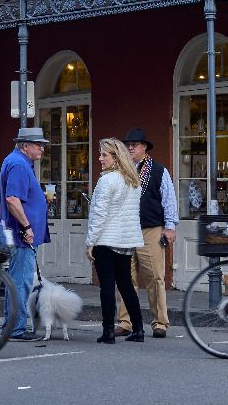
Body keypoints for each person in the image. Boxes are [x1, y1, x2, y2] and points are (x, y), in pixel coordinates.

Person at [117, 127, 177, 339]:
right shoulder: (120, 171)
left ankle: (160, 322)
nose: (130, 148)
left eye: (134, 145)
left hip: (150, 229)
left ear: (144, 148)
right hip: (125, 229)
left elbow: (168, 199)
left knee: (155, 277)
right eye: (128, 145)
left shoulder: (158, 171)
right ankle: (125, 321)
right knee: (125, 277)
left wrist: (170, 227)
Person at [86, 137, 145, 344]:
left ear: (116, 157)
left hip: (106, 240)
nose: (100, 158)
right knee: (126, 285)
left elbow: (99, 214)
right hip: (127, 241)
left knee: (107, 287)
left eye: (104, 155)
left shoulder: (107, 180)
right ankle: (138, 329)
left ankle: (108, 331)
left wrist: (90, 241)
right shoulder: (133, 181)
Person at [0, 126, 50, 341]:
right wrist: (27, 227)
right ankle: (15, 328)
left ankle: (13, 325)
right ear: (24, 146)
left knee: (18, 280)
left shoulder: (18, 162)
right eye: (38, 144)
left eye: (42, 144)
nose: (42, 148)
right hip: (21, 235)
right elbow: (12, 199)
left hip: (20, 233)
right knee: (20, 281)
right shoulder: (19, 164)